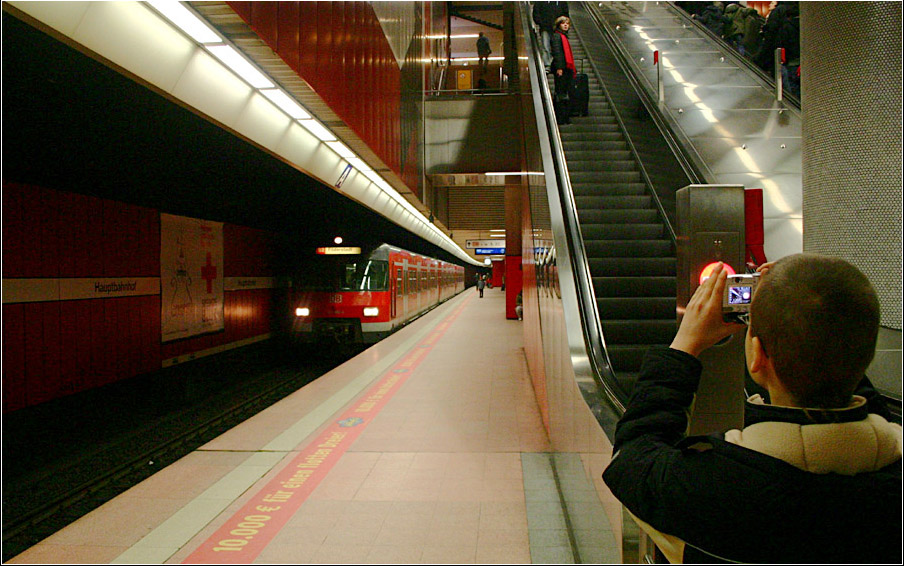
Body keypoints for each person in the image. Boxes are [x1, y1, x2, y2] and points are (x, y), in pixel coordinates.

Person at [602, 255, 902, 564]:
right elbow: (857, 385)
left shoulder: (711, 487)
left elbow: (631, 457)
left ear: (758, 357)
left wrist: (685, 344)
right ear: (866, 354)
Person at [549, 16, 576, 126]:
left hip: (567, 68)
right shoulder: (557, 36)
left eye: (567, 23)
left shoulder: (564, 37)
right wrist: (559, 68)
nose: (565, 25)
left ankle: (564, 116)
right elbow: (557, 53)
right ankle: (561, 117)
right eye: (563, 23)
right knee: (561, 93)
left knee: (565, 92)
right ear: (559, 24)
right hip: (561, 69)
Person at [532, 1, 569, 69]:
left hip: (558, 29)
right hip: (545, 28)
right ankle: (547, 65)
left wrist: (563, 24)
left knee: (558, 48)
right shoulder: (540, 2)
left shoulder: (562, 2)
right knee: (546, 46)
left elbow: (565, 13)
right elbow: (536, 13)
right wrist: (541, 23)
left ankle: (557, 65)